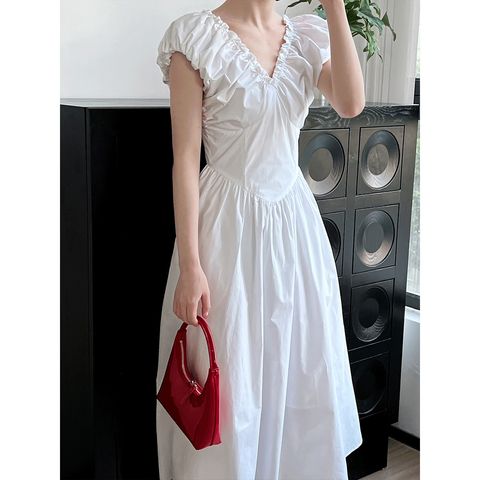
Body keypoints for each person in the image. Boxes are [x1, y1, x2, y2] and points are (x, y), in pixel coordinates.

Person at [155, 1, 365, 478]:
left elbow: (351, 103)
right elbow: (185, 159)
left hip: (294, 232)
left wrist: (335, 7)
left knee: (301, 370)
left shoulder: (306, 36)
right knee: (232, 380)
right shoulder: (195, 38)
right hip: (225, 231)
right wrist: (190, 265)